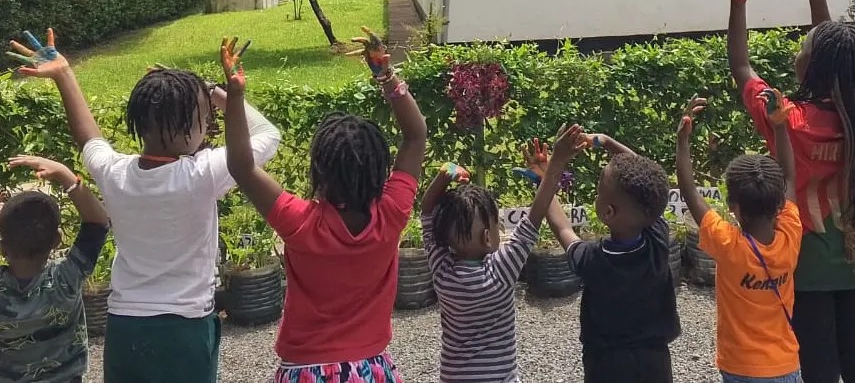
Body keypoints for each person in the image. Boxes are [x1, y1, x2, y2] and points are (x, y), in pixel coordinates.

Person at [7, 27, 281, 383]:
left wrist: (63, 73)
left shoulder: (115, 172)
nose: (210, 124)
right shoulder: (204, 172)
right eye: (204, 117)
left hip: (125, 328)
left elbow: (88, 136)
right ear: (188, 129)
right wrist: (220, 94)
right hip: (186, 328)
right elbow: (267, 136)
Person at [222, 27, 428, 383]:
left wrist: (236, 95)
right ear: (379, 169)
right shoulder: (391, 214)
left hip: (306, 370)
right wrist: (385, 73)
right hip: (372, 368)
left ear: (320, 170)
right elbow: (416, 134)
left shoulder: (301, 222)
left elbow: (242, 167)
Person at [723, 0, 855, 383]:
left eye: (804, 46)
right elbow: (836, 53)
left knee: (817, 366)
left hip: (807, 258)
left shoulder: (786, 117)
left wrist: (738, 5)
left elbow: (740, 64)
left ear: (808, 66)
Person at [420, 126, 587, 383]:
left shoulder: (441, 270)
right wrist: (556, 162)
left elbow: (427, 212)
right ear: (488, 237)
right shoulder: (501, 271)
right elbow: (536, 214)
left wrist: (445, 175)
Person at [676, 92, 802, 383]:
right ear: (780, 206)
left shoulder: (728, 245)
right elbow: (792, 180)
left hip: (740, 368)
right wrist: (780, 125)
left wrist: (682, 141)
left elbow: (689, 192)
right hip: (785, 365)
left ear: (734, 208)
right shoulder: (790, 234)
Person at [542, 129, 680, 383]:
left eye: (598, 193)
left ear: (608, 212)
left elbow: (562, 228)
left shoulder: (594, 259)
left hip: (606, 364)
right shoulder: (657, 238)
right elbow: (650, 185)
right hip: (655, 361)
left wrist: (551, 168)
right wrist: (606, 141)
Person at [0, 154, 110, 383]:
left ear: (2, 247)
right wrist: (64, 174)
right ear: (57, 240)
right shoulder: (65, 280)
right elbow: (98, 223)